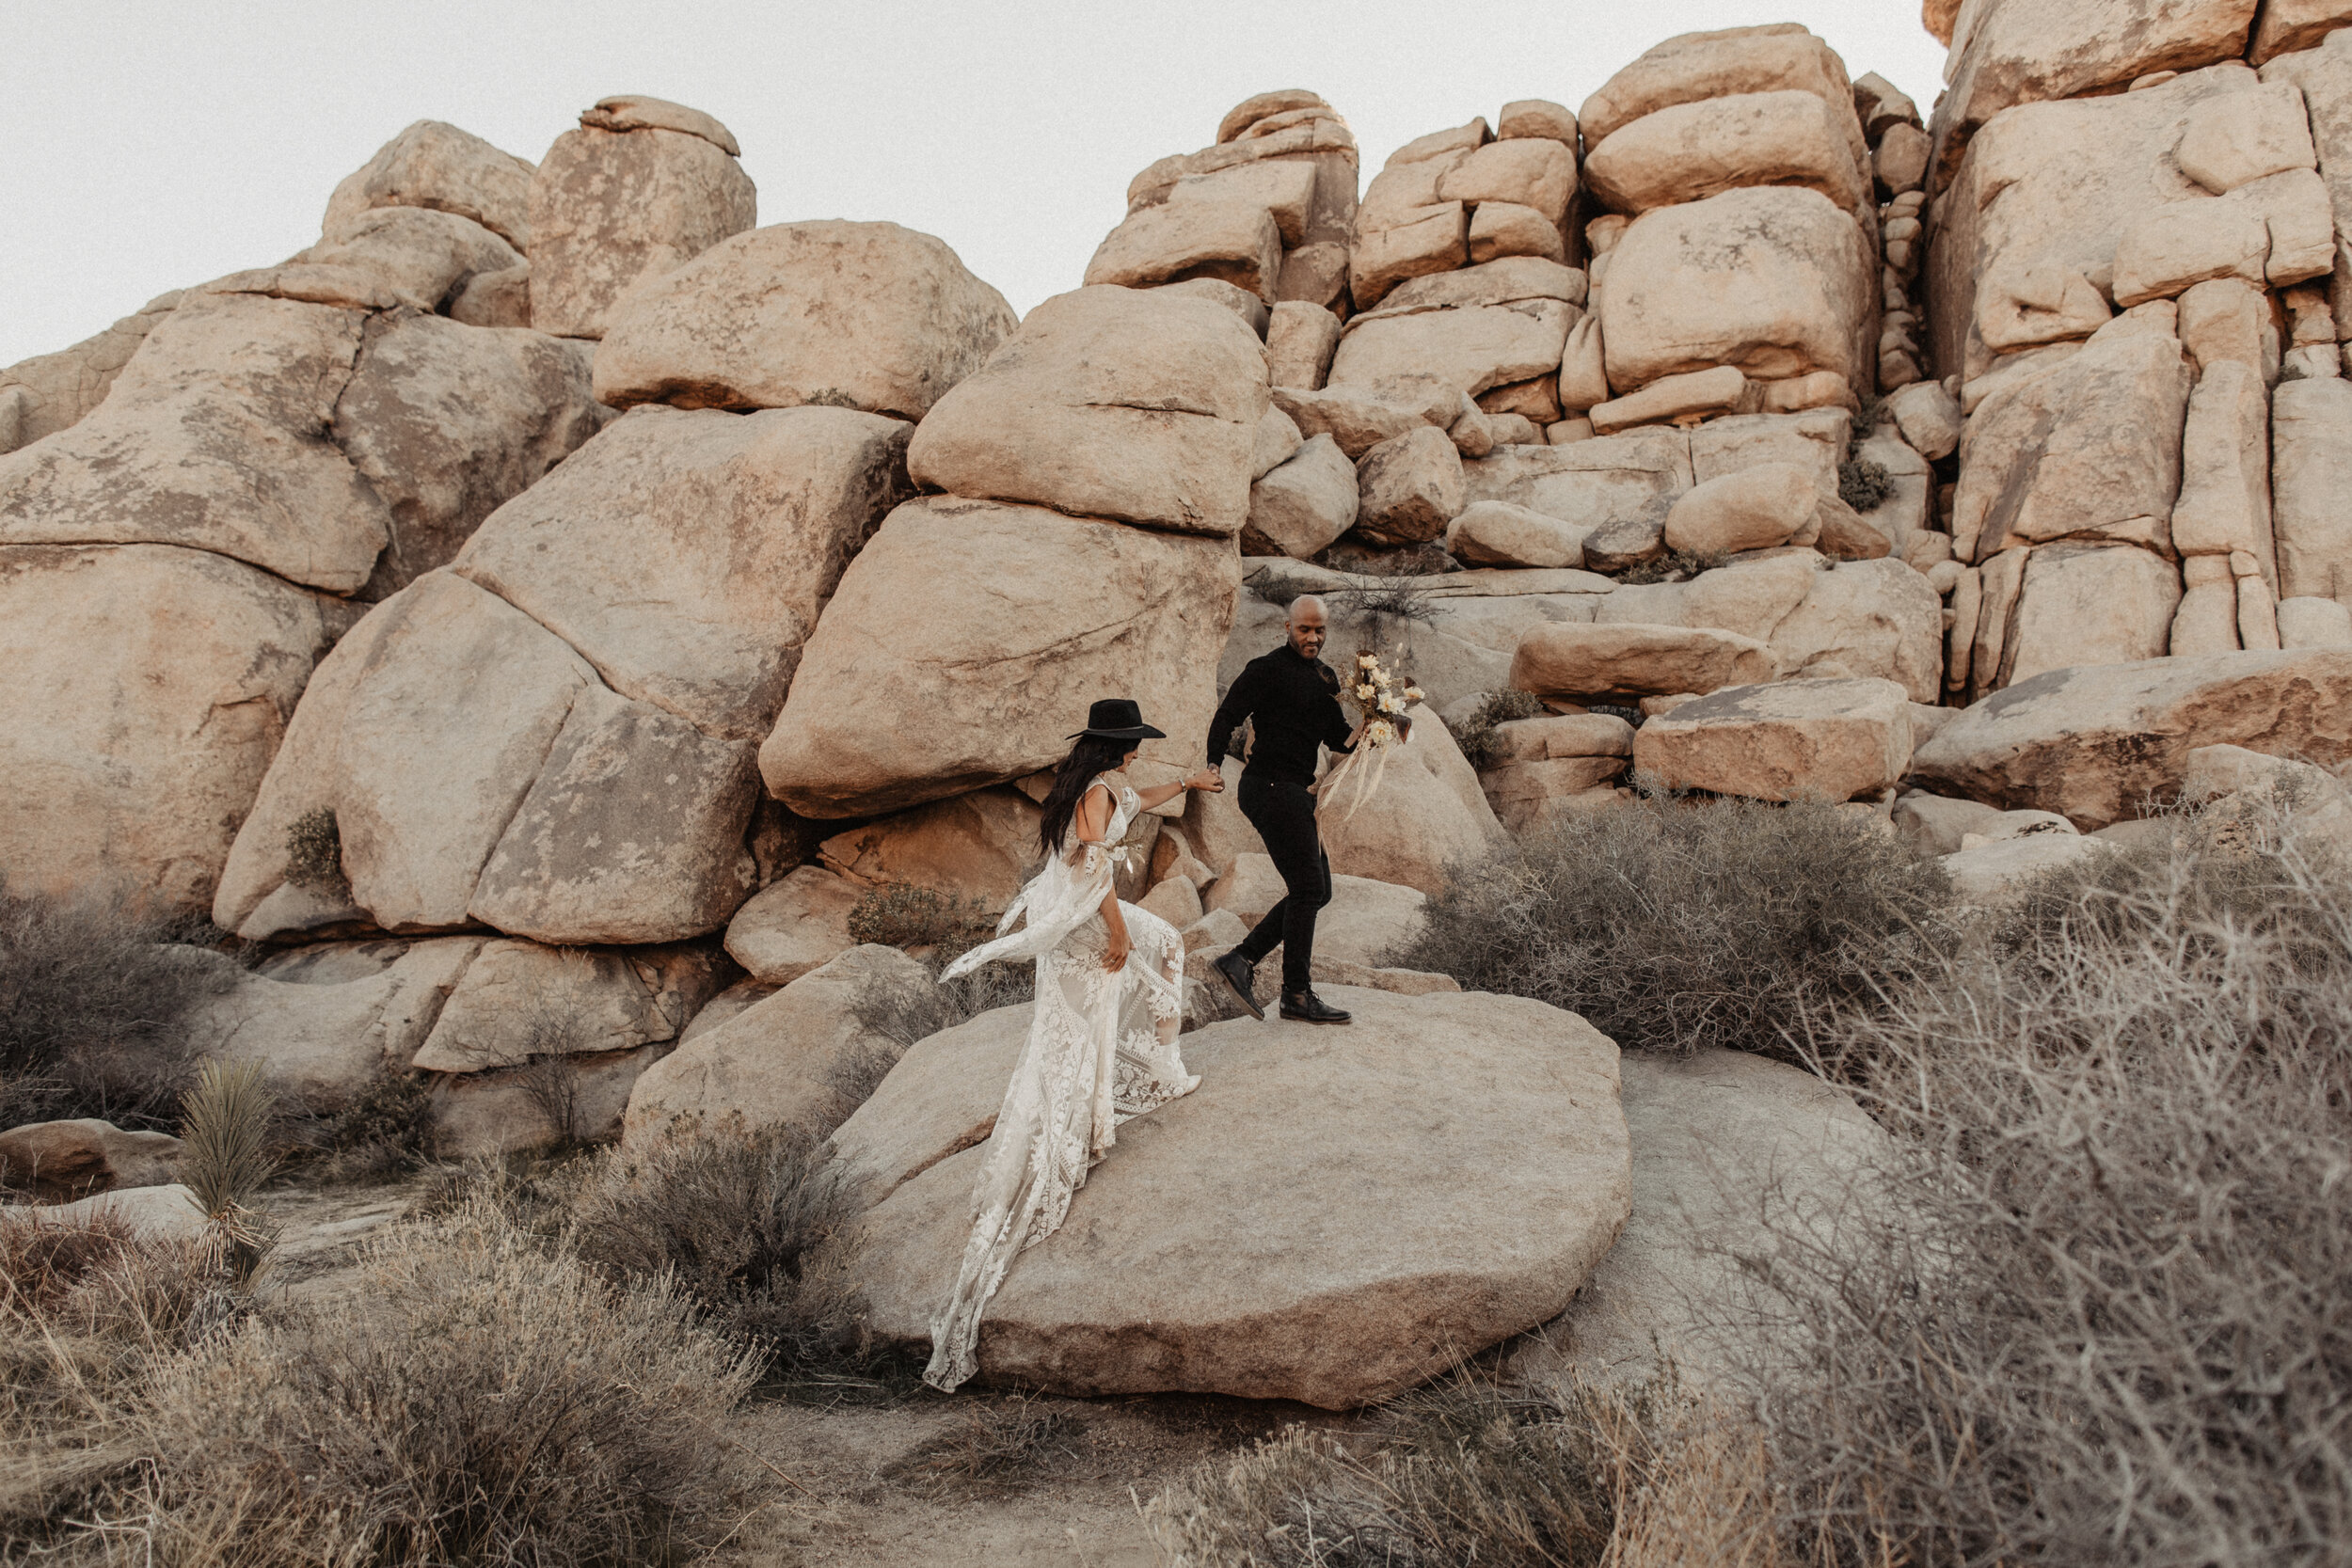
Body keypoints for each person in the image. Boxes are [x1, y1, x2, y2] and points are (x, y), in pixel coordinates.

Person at [921, 699, 1226, 1394]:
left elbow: (1133, 801)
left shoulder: (1106, 784)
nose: (1138, 753)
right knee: (1158, 950)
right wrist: (1118, 929)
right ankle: (1123, 1091)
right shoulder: (1091, 794)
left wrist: (1186, 786)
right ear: (1121, 745)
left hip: (1095, 907)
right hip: (1090, 917)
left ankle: (1157, 1066)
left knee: (1157, 959)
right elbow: (1092, 868)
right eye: (1135, 743)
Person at [1202, 594, 1404, 1026]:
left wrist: (1376, 726)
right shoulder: (1265, 669)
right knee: (1309, 889)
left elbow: (1338, 739)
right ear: (1287, 628)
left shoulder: (1324, 677)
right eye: (1304, 629)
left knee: (1318, 890)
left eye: (1319, 630)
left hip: (1295, 791)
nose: (1312, 637)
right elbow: (1228, 714)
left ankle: (1241, 961)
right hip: (1269, 788)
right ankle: (1293, 992)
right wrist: (1214, 761)